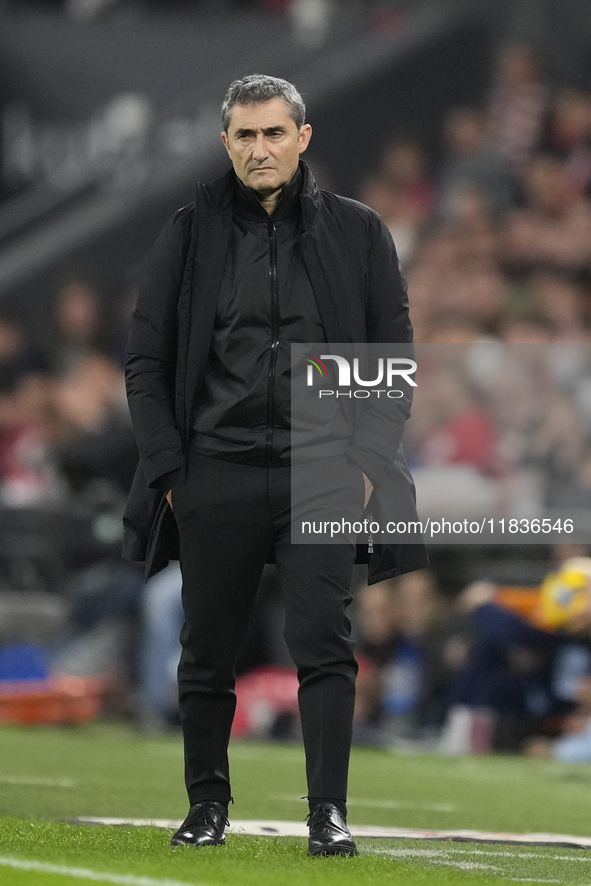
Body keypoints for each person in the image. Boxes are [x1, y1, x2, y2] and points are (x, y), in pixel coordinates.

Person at [122, 74, 427, 856]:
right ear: (226, 143)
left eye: (273, 133)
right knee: (206, 648)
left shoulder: (359, 233)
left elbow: (391, 359)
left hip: (321, 469)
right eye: (245, 136)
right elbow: (146, 359)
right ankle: (206, 806)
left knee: (324, 639)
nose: (260, 149)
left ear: (303, 137)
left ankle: (328, 812)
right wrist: (169, 471)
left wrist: (364, 463)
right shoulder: (188, 233)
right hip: (213, 471)